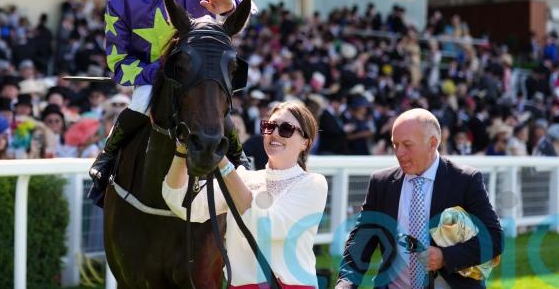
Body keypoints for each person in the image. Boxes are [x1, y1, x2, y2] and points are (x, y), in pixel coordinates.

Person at [89, 0, 256, 201]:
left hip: (198, 73)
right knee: (140, 101)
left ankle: (240, 159)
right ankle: (106, 158)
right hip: (153, 75)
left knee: (216, 105)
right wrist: (157, 72)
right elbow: (118, 63)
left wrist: (229, 3)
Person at [163, 101, 327, 287]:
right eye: (269, 126)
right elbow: (184, 204)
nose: (274, 133)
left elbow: (266, 227)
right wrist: (181, 149)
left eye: (286, 129)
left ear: (305, 142)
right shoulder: (244, 178)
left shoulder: (313, 184)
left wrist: (223, 163)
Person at [336, 108, 503, 289]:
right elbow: (361, 241)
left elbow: (494, 238)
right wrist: (345, 284)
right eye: (395, 144)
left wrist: (445, 256)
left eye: (407, 145)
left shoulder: (465, 180)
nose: (399, 153)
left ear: (433, 143)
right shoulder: (381, 183)